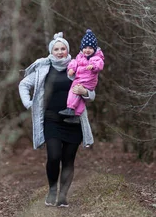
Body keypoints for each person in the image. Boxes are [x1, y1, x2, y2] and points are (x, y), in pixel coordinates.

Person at [18, 32, 95, 207]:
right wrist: (29, 104)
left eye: (63, 48)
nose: (60, 52)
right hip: (52, 120)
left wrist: (86, 93)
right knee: (54, 156)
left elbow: (91, 92)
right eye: (56, 49)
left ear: (68, 50)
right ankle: (52, 191)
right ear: (51, 51)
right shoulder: (44, 69)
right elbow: (23, 84)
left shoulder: (78, 67)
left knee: (68, 160)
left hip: (73, 122)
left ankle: (62, 197)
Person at [59, 29, 104, 124]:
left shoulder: (96, 58)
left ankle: (70, 108)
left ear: (95, 49)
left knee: (74, 89)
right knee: (80, 97)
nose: (87, 50)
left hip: (88, 80)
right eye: (85, 47)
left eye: (90, 48)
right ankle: (76, 115)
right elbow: (74, 62)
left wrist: (93, 66)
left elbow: (99, 64)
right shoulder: (80, 57)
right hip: (81, 78)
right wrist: (71, 69)